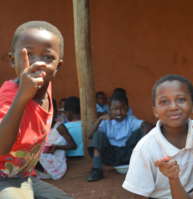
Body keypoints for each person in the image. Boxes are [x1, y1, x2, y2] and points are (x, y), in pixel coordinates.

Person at [0, 21, 72, 198]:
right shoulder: (9, 96)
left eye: (47, 57)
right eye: (28, 54)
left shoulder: (44, 85)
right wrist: (22, 97)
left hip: (22, 176)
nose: (37, 63)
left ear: (58, 66)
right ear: (12, 60)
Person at [122, 74, 193, 198]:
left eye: (181, 99)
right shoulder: (145, 148)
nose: (173, 107)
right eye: (164, 101)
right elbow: (139, 194)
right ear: (155, 111)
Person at [87, 92, 153, 182]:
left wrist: (144, 135)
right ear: (109, 109)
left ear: (127, 109)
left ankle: (145, 166)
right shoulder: (105, 122)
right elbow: (90, 136)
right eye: (115, 109)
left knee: (142, 130)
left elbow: (147, 125)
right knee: (98, 134)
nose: (119, 112)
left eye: (122, 109)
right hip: (111, 155)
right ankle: (97, 170)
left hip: (129, 154)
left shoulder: (131, 120)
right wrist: (99, 119)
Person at [38, 96, 81, 180]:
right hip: (44, 158)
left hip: (56, 160)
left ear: (54, 112)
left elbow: (73, 146)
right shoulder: (40, 128)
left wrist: (56, 147)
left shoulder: (59, 127)